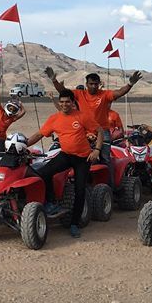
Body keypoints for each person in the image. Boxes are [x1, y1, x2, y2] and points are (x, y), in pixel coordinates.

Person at [43, 67, 142, 187]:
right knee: (78, 157)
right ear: (86, 84)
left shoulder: (105, 95)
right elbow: (63, 91)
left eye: (96, 84)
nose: (94, 86)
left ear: (99, 84)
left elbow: (119, 92)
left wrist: (130, 84)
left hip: (102, 131)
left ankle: (110, 186)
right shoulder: (80, 94)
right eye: (91, 84)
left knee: (105, 157)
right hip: (84, 131)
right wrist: (54, 80)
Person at [26, 91, 103, 238]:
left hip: (83, 159)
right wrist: (22, 145)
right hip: (66, 155)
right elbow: (39, 135)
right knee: (42, 173)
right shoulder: (54, 118)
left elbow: (99, 130)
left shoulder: (81, 116)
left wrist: (97, 150)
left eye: (67, 102)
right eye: (61, 102)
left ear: (72, 102)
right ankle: (51, 202)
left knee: (79, 190)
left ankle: (74, 223)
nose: (64, 105)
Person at [0, 79, 26, 148]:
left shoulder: (12, 118)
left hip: (1, 139)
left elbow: (23, 112)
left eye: (14, 109)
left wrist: (20, 104)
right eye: (10, 108)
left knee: (0, 153)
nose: (11, 110)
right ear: (7, 106)